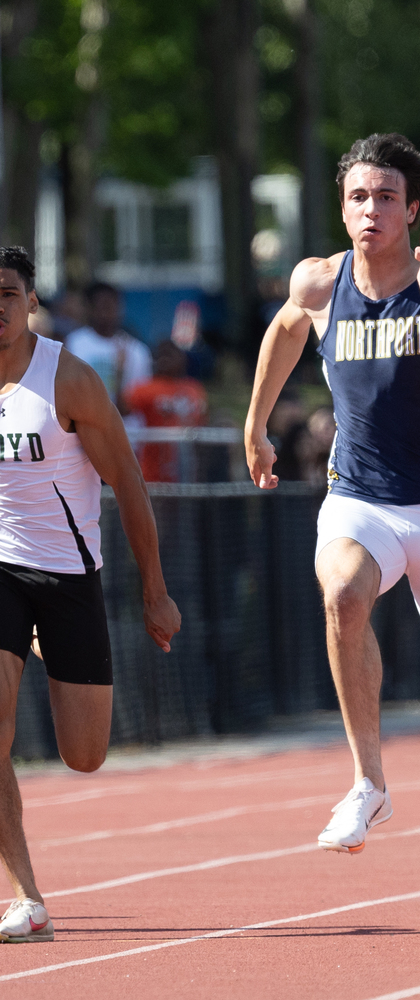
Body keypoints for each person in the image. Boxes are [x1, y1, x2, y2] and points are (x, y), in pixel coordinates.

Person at [243, 134, 420, 921]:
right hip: (360, 497)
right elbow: (286, 328)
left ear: (414, 209)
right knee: (342, 592)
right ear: (342, 205)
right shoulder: (319, 280)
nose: (372, 210)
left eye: (387, 197)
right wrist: (256, 423)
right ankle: (369, 781)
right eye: (359, 196)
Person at [0, 246, 181, 943]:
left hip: (67, 576)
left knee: (84, 753)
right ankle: (28, 896)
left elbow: (128, 484)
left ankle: (44, 644)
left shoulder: (66, 380)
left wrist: (154, 593)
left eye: (8, 293)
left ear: (31, 302)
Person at [124, 341, 209, 483]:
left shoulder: (194, 389)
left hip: (188, 468)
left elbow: (203, 423)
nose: (164, 360)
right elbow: (121, 410)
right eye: (160, 356)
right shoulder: (147, 388)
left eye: (169, 355)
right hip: (154, 471)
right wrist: (120, 371)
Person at [64, 282, 151, 415]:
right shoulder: (73, 343)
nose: (108, 312)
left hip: (129, 430)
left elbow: (138, 401)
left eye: (113, 305)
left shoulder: (137, 350)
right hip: (87, 425)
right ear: (90, 308)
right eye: (102, 306)